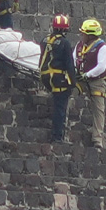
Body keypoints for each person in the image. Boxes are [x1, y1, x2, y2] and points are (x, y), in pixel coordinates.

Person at [73, 18, 106, 148]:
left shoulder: (103, 48)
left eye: (83, 33)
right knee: (68, 94)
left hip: (97, 81)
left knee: (98, 108)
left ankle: (97, 139)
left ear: (90, 35)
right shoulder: (79, 46)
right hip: (81, 79)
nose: (81, 35)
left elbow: (101, 66)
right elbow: (73, 59)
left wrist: (87, 75)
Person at [38, 15, 77, 143]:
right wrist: (73, 83)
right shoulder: (65, 43)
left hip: (45, 76)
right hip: (58, 78)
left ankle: (56, 134)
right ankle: (57, 136)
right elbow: (69, 64)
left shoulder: (44, 40)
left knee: (57, 103)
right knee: (60, 107)